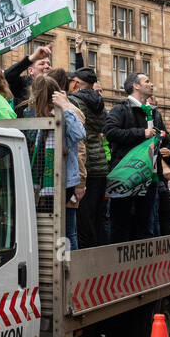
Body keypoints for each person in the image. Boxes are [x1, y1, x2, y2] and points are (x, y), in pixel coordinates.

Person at [105, 72, 170, 242]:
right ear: (135, 86)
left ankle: (144, 266)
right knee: (121, 223)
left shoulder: (155, 113)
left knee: (146, 225)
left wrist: (169, 151)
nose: (152, 84)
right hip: (126, 176)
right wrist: (142, 133)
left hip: (150, 177)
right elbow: (110, 132)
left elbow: (166, 139)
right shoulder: (120, 109)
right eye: (147, 81)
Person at [24, 75, 85, 250]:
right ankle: (57, 265)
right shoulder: (38, 117)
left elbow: (79, 134)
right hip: (42, 183)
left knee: (63, 232)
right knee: (52, 231)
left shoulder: (62, 114)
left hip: (61, 181)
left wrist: (66, 106)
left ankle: (67, 269)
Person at [65, 51, 107, 247]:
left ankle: (89, 259)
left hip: (87, 164)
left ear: (78, 84)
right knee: (98, 215)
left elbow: (78, 136)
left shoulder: (74, 101)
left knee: (84, 218)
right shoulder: (99, 102)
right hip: (101, 165)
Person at [4, 44, 53, 116]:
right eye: (42, 64)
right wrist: (31, 59)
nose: (47, 66)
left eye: (49, 64)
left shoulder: (54, 86)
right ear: (31, 71)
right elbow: (7, 76)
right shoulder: (22, 84)